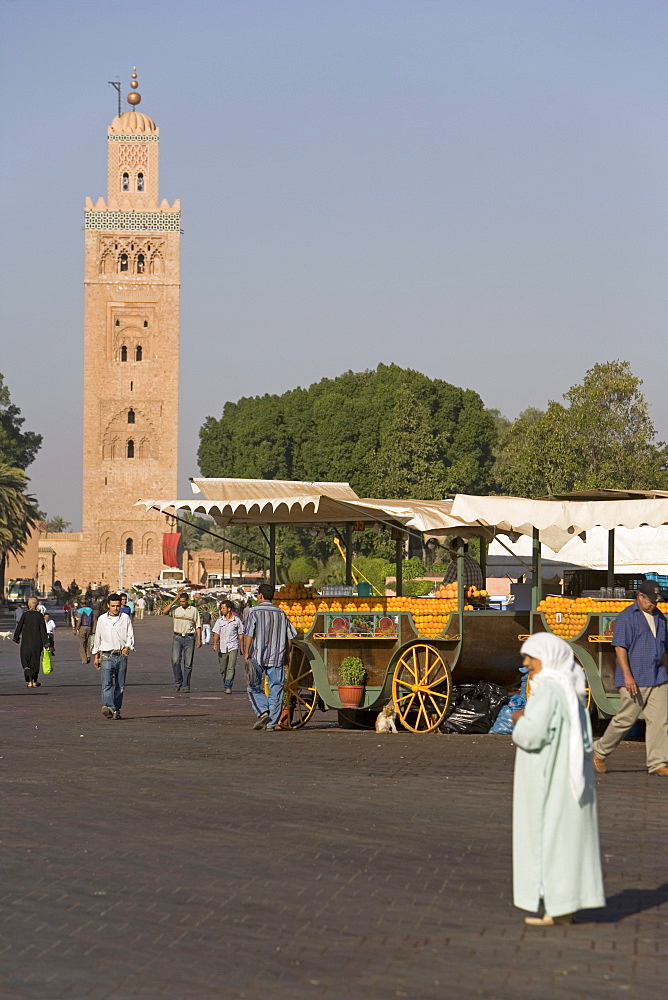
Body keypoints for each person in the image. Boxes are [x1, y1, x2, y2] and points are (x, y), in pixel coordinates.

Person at [512, 632, 605, 926]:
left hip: (550, 778)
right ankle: (564, 905)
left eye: (530, 657)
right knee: (566, 840)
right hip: (571, 775)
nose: (526, 664)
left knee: (549, 838)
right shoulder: (571, 685)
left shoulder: (550, 689)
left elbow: (534, 733)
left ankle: (557, 905)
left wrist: (519, 720)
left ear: (547, 657)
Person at [593, 580, 668, 776]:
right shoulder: (627, 617)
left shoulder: (660, 617)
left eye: (656, 601)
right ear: (640, 597)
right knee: (625, 719)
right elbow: (620, 647)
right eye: (651, 600)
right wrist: (627, 675)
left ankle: (657, 762)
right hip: (635, 676)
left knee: (660, 721)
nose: (654, 604)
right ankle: (599, 752)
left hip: (658, 675)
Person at [241, 583, 296, 731]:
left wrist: (246, 652)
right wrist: (287, 653)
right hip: (277, 656)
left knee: (253, 686)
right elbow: (290, 637)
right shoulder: (281, 613)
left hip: (258, 655)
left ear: (260, 595)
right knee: (276, 689)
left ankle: (263, 712)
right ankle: (272, 723)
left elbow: (249, 634)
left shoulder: (254, 612)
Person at [92, 592, 134, 720]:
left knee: (120, 685)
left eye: (117, 606)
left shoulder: (125, 618)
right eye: (113, 606)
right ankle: (108, 706)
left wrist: (127, 647)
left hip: (121, 655)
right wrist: (96, 656)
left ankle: (116, 709)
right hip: (106, 655)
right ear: (108, 606)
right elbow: (98, 638)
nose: (115, 609)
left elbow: (130, 635)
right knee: (106, 683)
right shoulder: (102, 619)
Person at [162, 591, 202, 693]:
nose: (182, 603)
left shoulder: (193, 610)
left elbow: (198, 625)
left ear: (187, 600)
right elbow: (164, 611)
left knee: (188, 663)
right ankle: (178, 682)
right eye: (180, 601)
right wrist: (174, 600)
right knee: (175, 661)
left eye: (183, 601)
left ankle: (186, 685)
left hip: (189, 638)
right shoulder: (176, 609)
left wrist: (199, 639)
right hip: (177, 637)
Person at [13, 597, 49, 688]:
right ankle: (34, 681)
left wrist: (16, 638)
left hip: (26, 641)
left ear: (28, 604)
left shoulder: (25, 615)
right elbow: (43, 631)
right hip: (37, 642)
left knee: (25, 659)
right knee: (35, 661)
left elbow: (19, 626)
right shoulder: (40, 616)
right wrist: (46, 643)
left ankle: (29, 679)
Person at [212, 600, 245, 693]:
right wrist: (215, 643)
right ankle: (226, 682)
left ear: (229, 609)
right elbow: (216, 633)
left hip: (233, 646)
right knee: (223, 668)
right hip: (222, 647)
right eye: (221, 608)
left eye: (223, 608)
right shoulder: (219, 621)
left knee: (231, 667)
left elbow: (241, 634)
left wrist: (242, 647)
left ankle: (228, 686)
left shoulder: (236, 620)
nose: (222, 610)